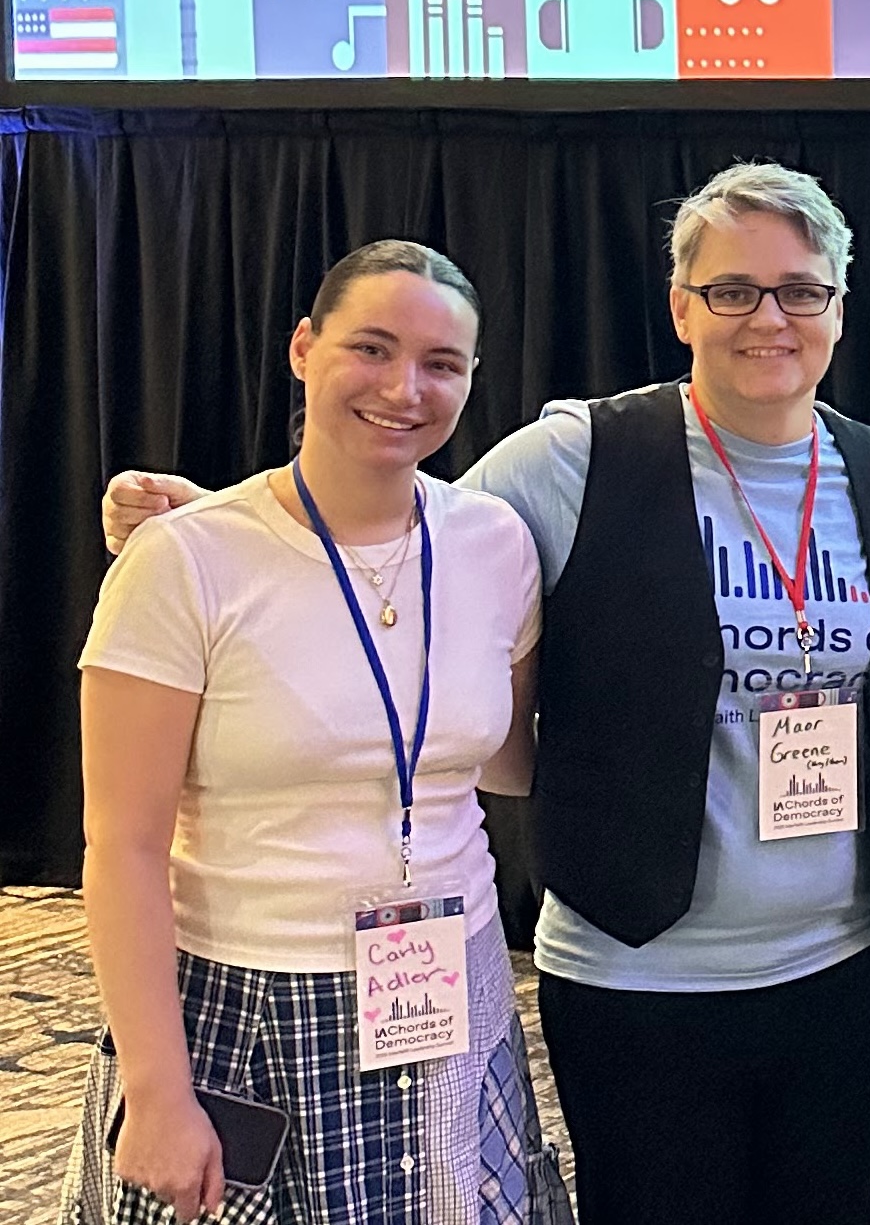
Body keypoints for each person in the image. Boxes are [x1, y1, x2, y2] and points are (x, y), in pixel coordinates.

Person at [108, 163, 870, 1225]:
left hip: (844, 969)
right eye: (732, 289)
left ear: (837, 308)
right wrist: (200, 521)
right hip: (641, 977)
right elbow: (379, 518)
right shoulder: (573, 457)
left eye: (799, 291)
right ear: (682, 305)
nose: (766, 316)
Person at [68, 240, 568, 1225]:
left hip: (446, 991)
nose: (403, 387)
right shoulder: (185, 560)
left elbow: (507, 765)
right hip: (239, 1006)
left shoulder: (495, 543)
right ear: (304, 347)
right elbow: (120, 848)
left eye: (440, 363)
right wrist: (160, 1094)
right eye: (371, 348)